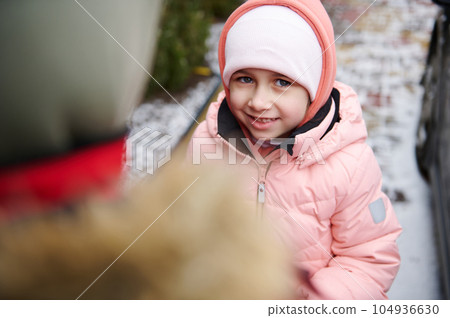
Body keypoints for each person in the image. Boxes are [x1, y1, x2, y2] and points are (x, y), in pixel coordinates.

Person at [187, 0, 402, 299]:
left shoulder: (349, 164)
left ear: (314, 89)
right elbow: (189, 227)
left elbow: (368, 258)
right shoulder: (207, 143)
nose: (259, 101)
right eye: (245, 79)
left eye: (282, 82)